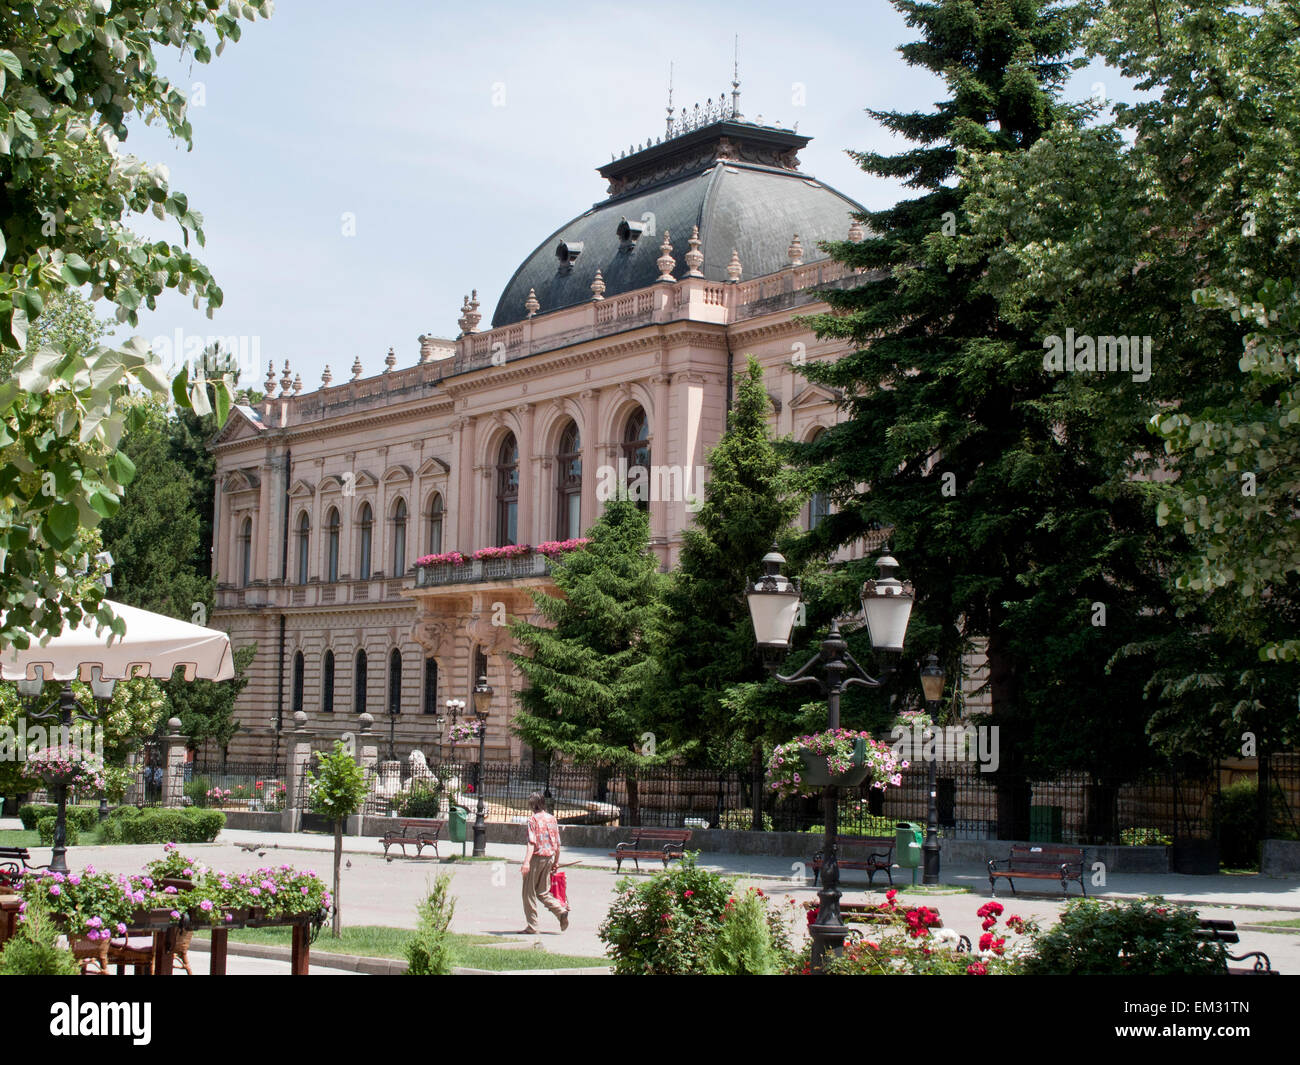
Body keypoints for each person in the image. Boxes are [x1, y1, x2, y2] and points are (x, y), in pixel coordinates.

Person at [521, 791, 568, 934]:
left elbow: (531, 843)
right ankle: (560, 911)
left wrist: (526, 863)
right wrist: (556, 862)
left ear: (533, 805)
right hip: (549, 858)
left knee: (528, 893)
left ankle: (532, 926)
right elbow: (558, 844)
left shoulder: (533, 820)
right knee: (543, 891)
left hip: (536, 858)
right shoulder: (552, 819)